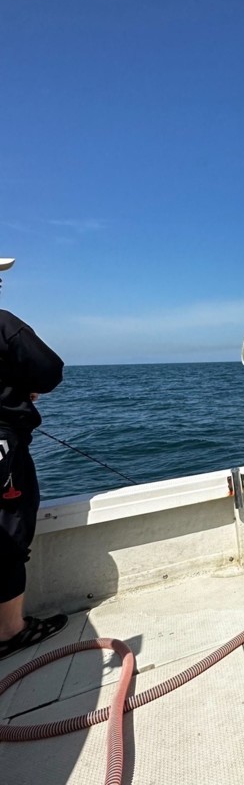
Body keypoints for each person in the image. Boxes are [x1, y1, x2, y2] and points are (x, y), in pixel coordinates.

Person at [0, 257, 68, 660]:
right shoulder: (4, 324)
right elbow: (50, 370)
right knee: (8, 533)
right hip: (4, 448)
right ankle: (11, 631)